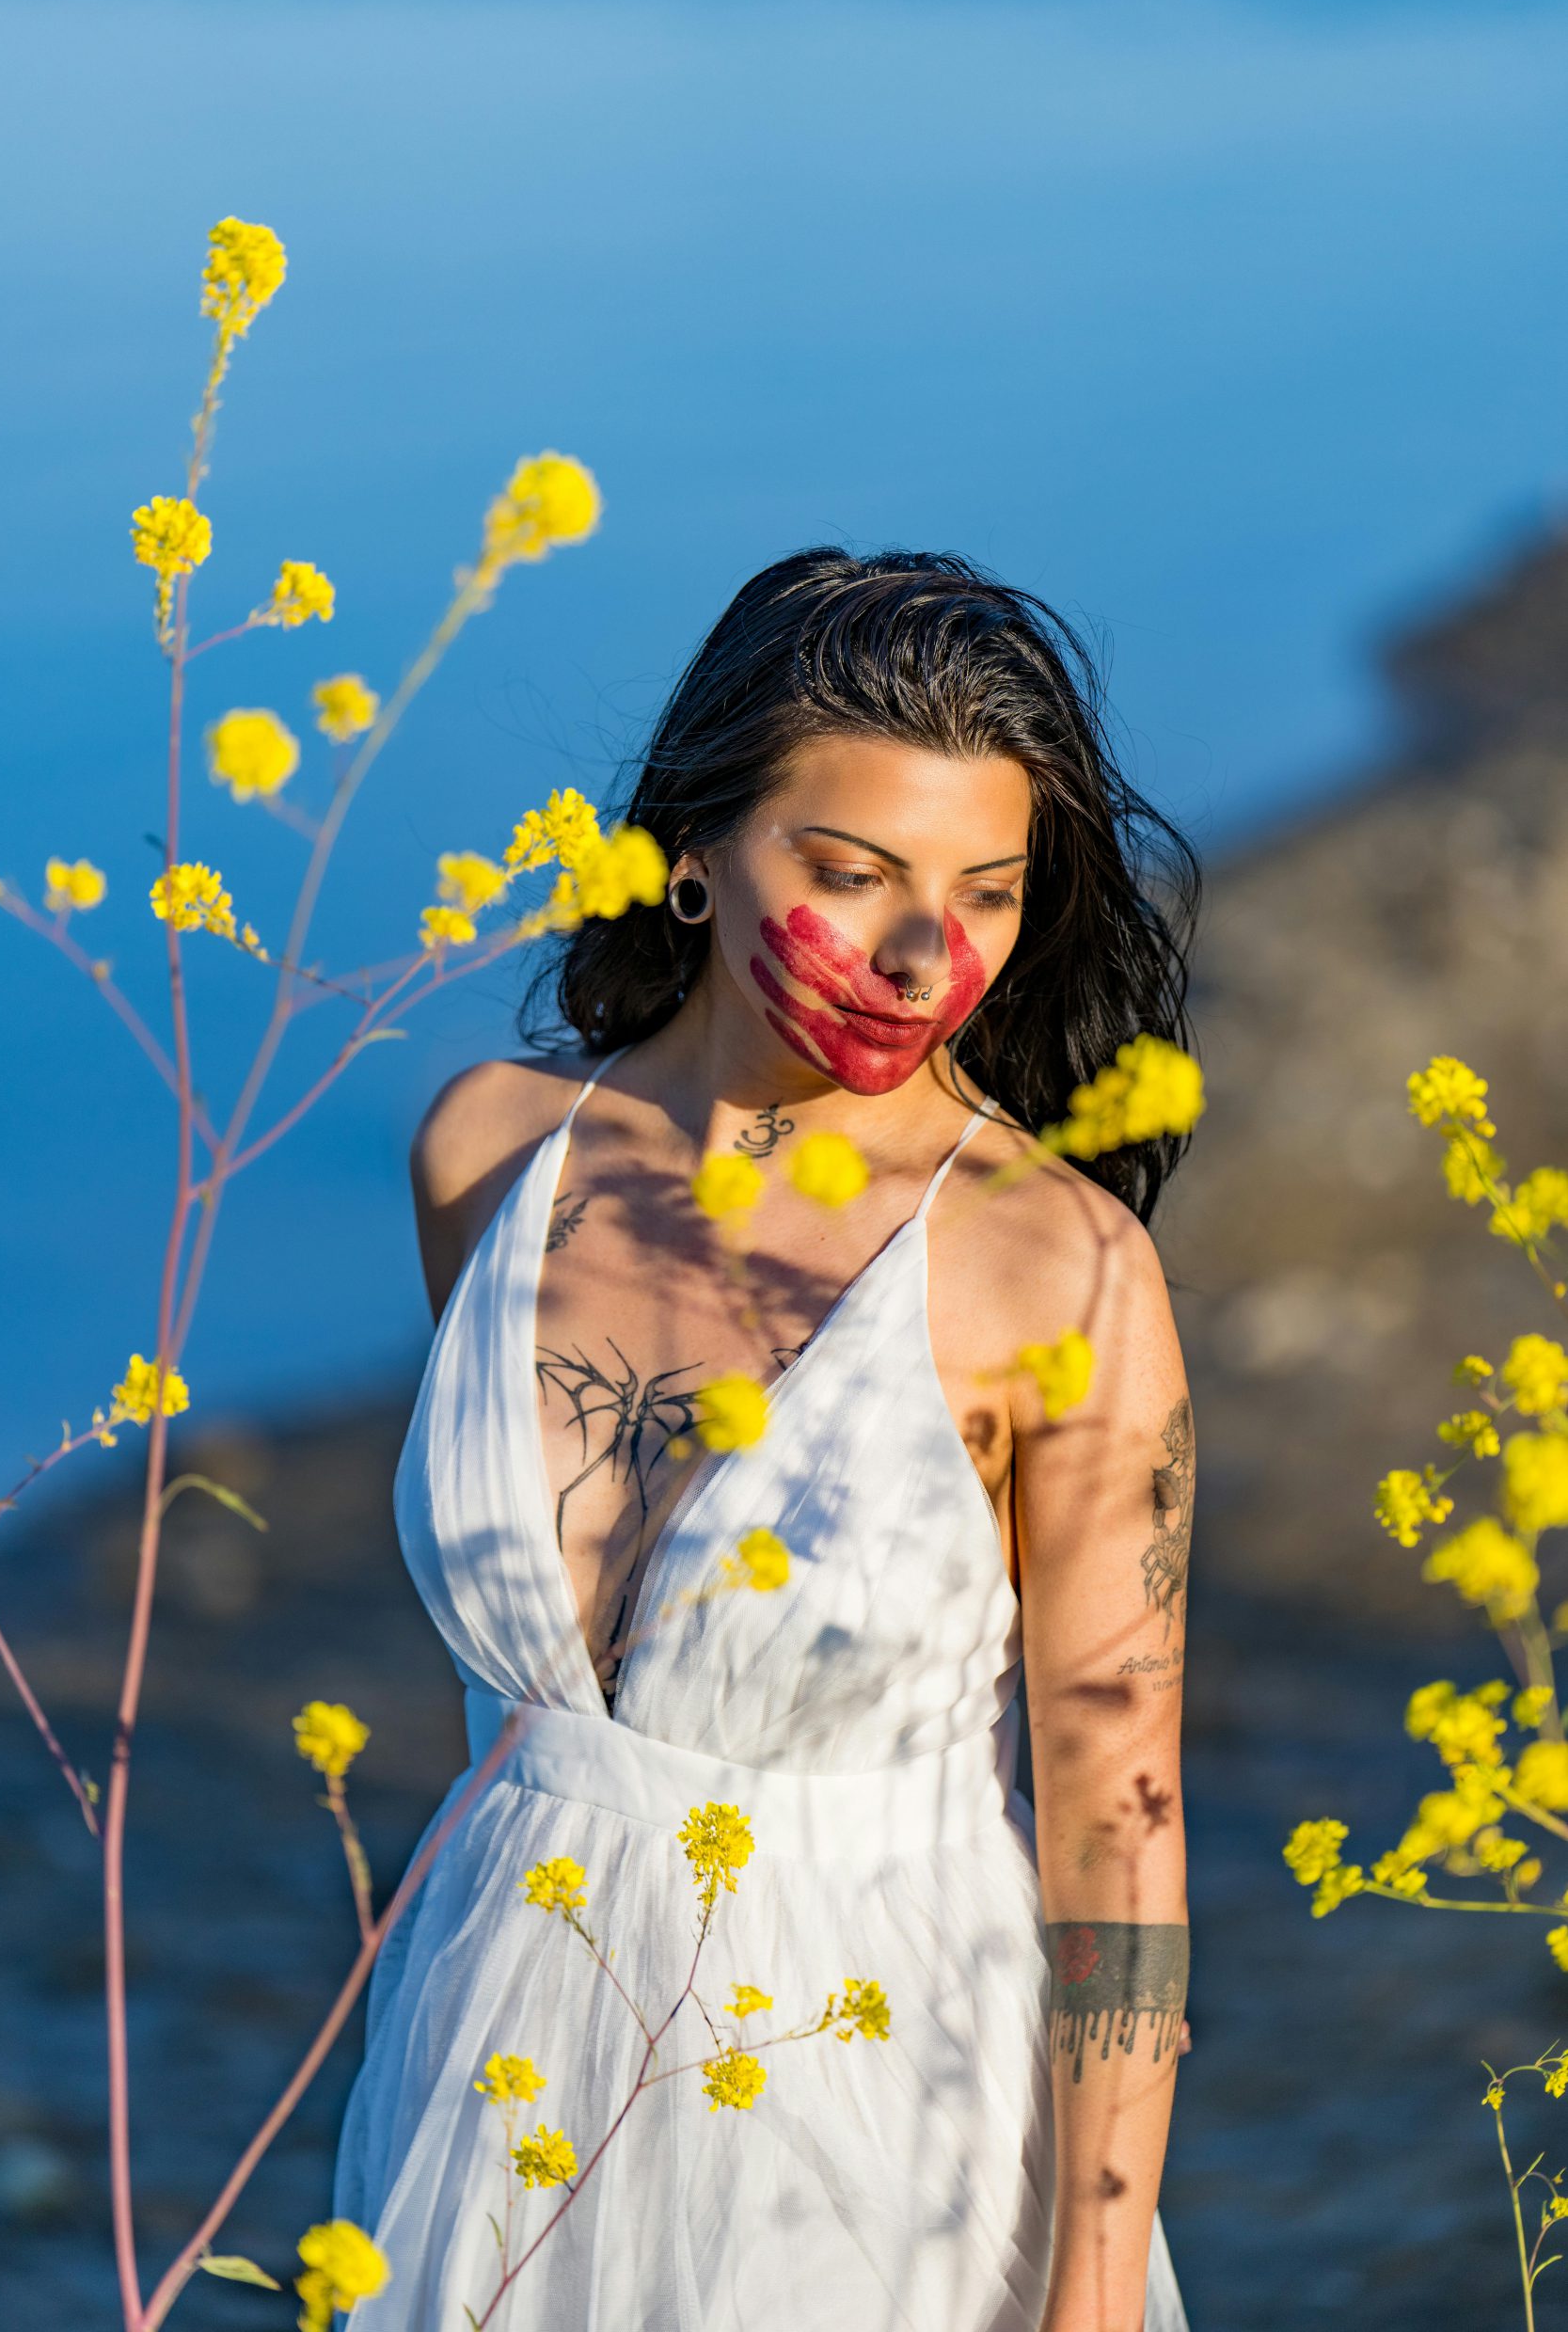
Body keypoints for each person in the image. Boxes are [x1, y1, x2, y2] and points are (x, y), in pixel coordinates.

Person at [334, 547, 1200, 2330]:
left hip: (875, 2110)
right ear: (691, 853)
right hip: (496, 2062)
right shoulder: (488, 1156)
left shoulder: (1057, 1267)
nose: (923, 955)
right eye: (851, 872)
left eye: (985, 892)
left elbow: (1121, 1823)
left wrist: (1100, 2290)